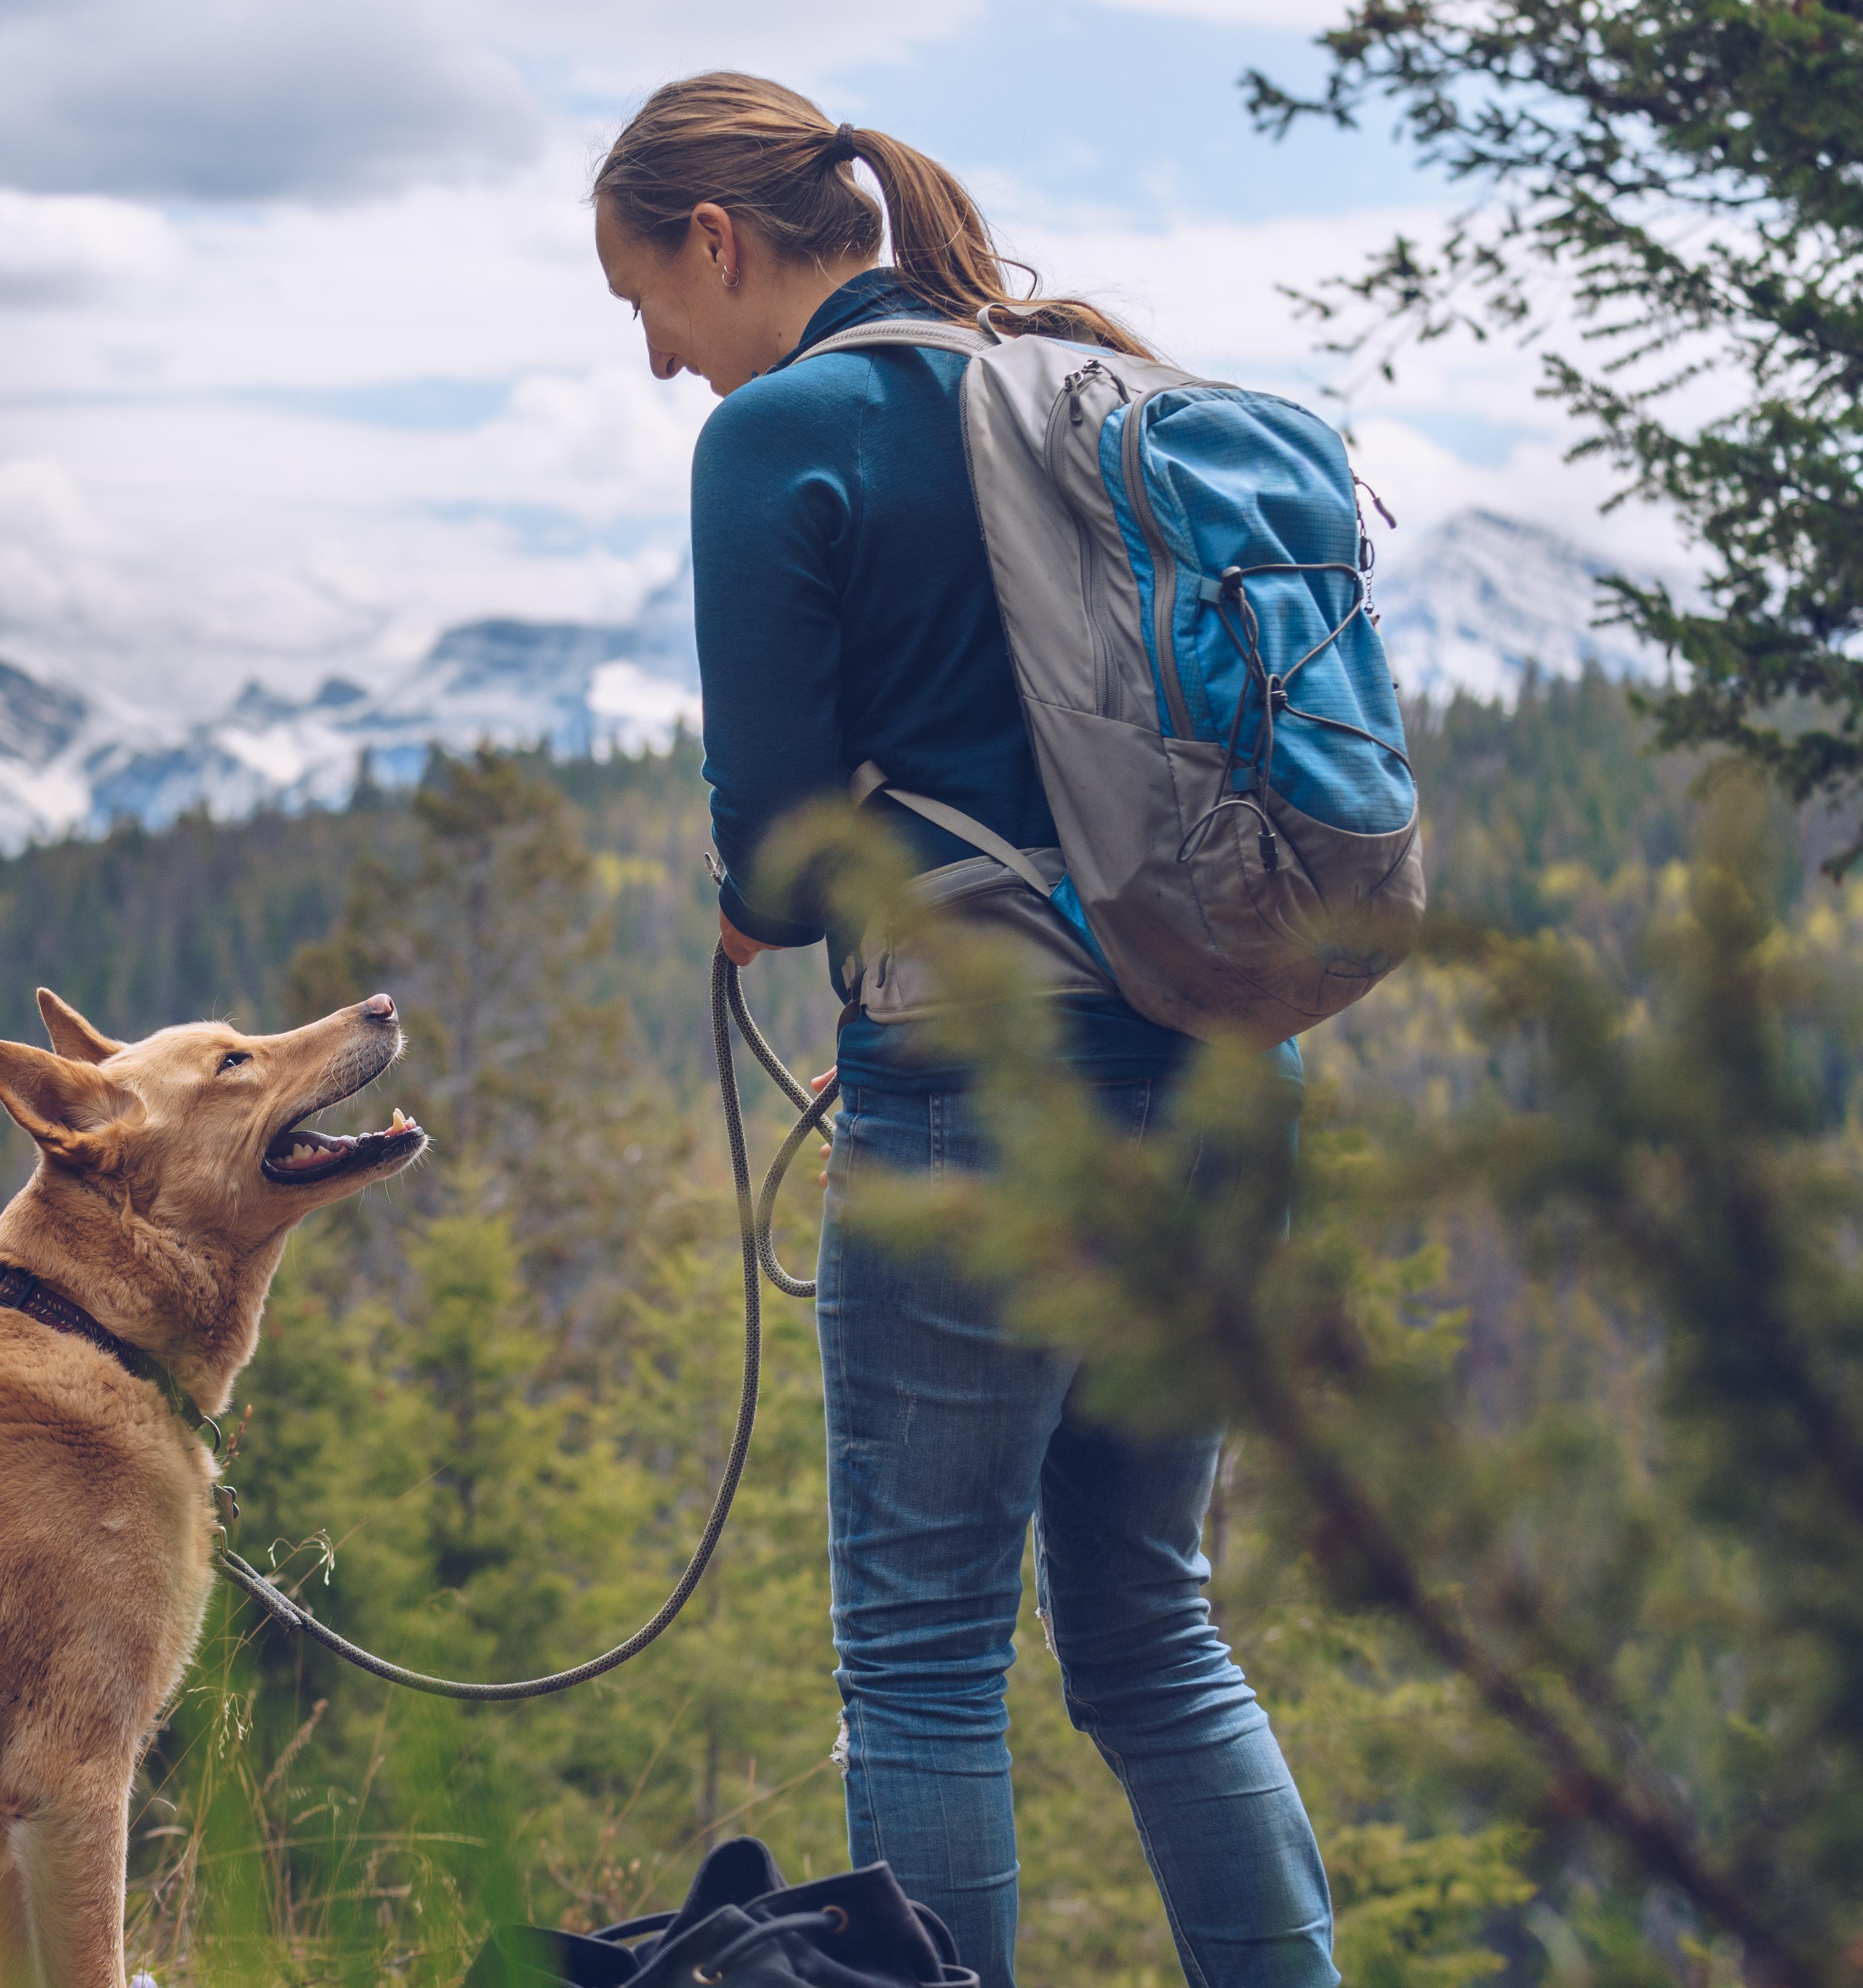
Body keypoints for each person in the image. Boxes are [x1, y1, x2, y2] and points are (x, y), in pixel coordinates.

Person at [591, 72, 1339, 1988]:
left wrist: (777, 907)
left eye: (645, 309)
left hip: (973, 1103)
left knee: (921, 1658)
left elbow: (773, 847)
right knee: (1156, 1632)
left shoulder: (788, 437)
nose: (664, 362)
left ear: (718, 244)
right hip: (1228, 1067)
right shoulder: (1085, 388)